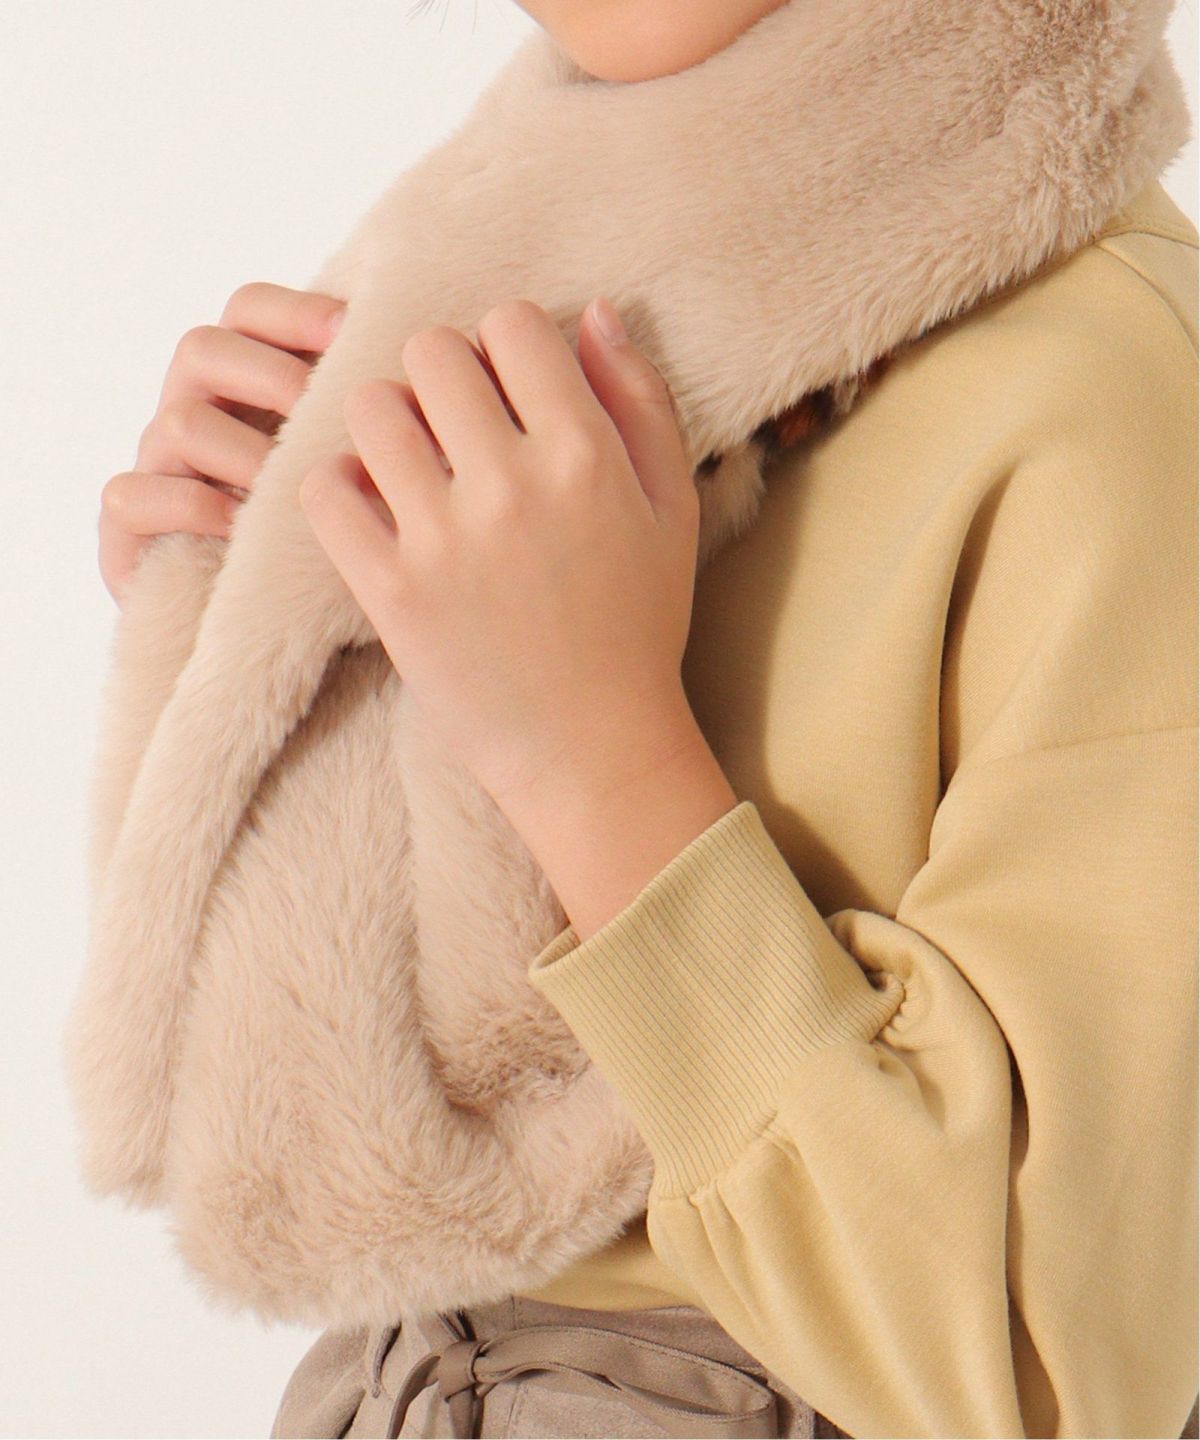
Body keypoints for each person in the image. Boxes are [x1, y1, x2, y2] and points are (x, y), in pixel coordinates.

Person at [95, 1, 1198, 1436]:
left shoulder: (1116, 403)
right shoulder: (520, 261)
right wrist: (250, 609)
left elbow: (1040, 1378)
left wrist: (591, 748)